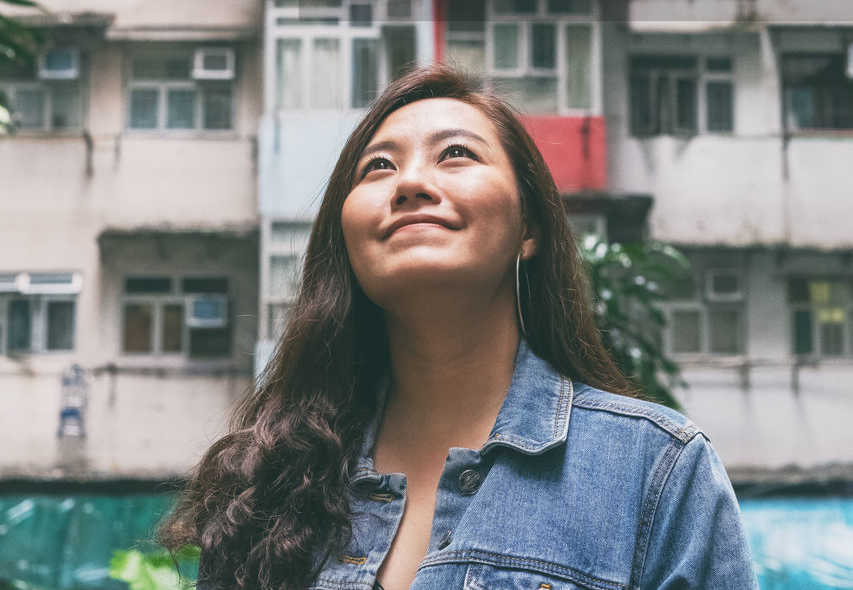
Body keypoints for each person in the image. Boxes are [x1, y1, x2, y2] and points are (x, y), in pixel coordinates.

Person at [162, 64, 758, 590]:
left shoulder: (656, 472)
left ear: (529, 229)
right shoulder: (268, 483)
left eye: (456, 154)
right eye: (378, 166)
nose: (410, 183)